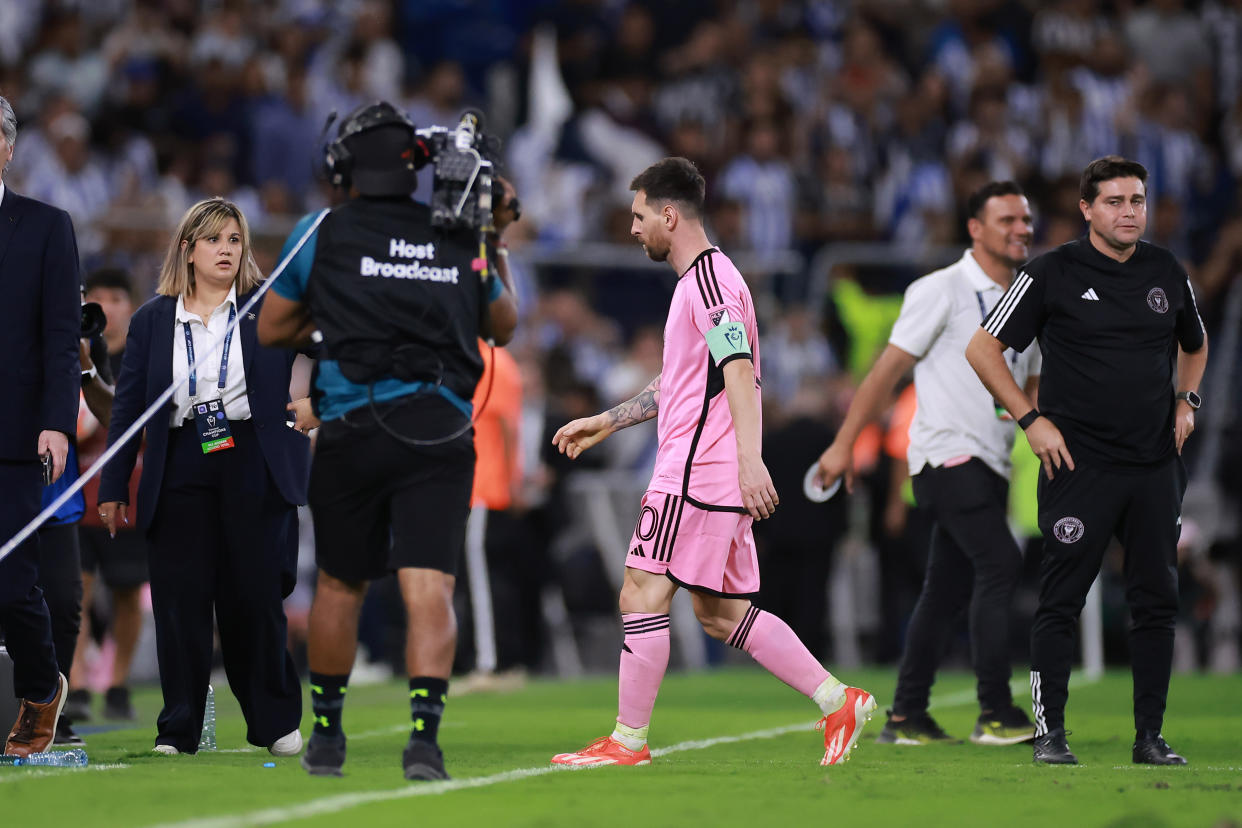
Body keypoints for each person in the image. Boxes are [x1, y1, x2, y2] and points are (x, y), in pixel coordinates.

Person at [549, 157, 875, 769]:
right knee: (719, 612)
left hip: (697, 470)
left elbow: (739, 370)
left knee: (641, 592)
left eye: (640, 215)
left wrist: (751, 461)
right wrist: (607, 420)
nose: (633, 228)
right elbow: (681, 381)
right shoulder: (708, 281)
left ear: (669, 215)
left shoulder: (708, 283)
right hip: (711, 468)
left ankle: (627, 742)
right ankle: (838, 699)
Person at [257, 101, 519, 781]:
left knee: (340, 587)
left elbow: (271, 328)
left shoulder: (323, 229)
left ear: (344, 168)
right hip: (439, 430)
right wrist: (492, 235)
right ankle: (424, 742)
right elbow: (504, 323)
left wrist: (336, 329)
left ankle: (326, 736)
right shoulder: (461, 235)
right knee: (429, 586)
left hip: (350, 427)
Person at [966, 156, 1209, 765]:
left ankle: (1149, 737)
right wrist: (1031, 419)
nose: (1129, 213)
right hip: (1080, 467)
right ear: (1087, 209)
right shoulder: (1051, 272)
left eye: (1137, 201)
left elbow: (1195, 345)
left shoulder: (1166, 271)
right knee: (1062, 600)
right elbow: (983, 348)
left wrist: (1188, 400)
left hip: (1155, 466)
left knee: (1156, 601)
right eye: (1115, 202)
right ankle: (1051, 734)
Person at [815, 181, 1042, 746]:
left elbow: (1030, 389)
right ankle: (995, 711)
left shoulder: (1031, 300)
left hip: (991, 462)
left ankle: (906, 715)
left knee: (945, 589)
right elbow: (887, 372)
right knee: (1001, 564)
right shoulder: (941, 289)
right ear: (975, 229)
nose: (1021, 228)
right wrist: (845, 443)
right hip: (945, 455)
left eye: (1026, 219)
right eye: (1007, 219)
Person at [98, 197, 313, 757]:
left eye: (235, 240)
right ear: (188, 249)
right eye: (214, 239)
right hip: (181, 457)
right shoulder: (151, 319)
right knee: (179, 601)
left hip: (253, 457)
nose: (226, 250)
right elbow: (128, 413)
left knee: (256, 596)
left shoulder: (270, 307)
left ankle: (274, 722)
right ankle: (178, 730)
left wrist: (322, 398)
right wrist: (114, 485)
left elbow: (336, 345)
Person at [0, 92, 79, 758]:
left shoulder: (48, 226)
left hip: (15, 435)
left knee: (10, 582)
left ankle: (39, 690)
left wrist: (56, 423)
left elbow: (60, 337)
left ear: (7, 146)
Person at [69, 268, 148, 725]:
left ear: (130, 307)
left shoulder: (142, 360)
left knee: (126, 591)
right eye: (96, 297)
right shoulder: (72, 355)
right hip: (77, 497)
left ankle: (117, 682)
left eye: (116, 297)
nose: (106, 306)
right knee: (74, 590)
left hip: (130, 497)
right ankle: (76, 682)